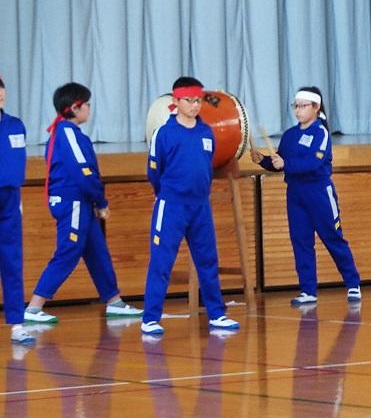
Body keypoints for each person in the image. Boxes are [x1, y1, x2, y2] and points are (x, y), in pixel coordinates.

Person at [25, 82, 142, 323]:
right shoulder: (67, 134)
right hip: (73, 203)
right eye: (86, 104)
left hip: (81, 202)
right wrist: (100, 201)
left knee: (97, 251)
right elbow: (84, 172)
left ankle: (114, 301)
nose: (89, 108)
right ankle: (34, 307)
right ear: (74, 107)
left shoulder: (70, 134)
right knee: (68, 251)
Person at [141, 77, 240, 336]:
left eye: (198, 101)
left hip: (200, 207)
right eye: (189, 100)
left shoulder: (205, 132)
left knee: (208, 260)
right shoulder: (164, 133)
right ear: (176, 101)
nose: (195, 105)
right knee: (162, 261)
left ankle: (216, 314)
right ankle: (150, 318)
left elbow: (206, 165)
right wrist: (165, 194)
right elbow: (154, 171)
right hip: (171, 205)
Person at [252, 87, 361, 306]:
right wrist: (263, 160)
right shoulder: (290, 135)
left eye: (303, 106)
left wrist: (286, 164)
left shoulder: (320, 133)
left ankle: (353, 284)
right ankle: (308, 290)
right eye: (296, 106)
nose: (298, 110)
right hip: (295, 194)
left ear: (316, 107)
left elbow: (313, 162)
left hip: (318, 192)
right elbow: (279, 162)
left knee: (333, 238)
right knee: (301, 241)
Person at [0, 77, 34, 344]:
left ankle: (17, 324)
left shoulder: (15, 125)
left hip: (10, 199)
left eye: (2, 90)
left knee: (12, 261)